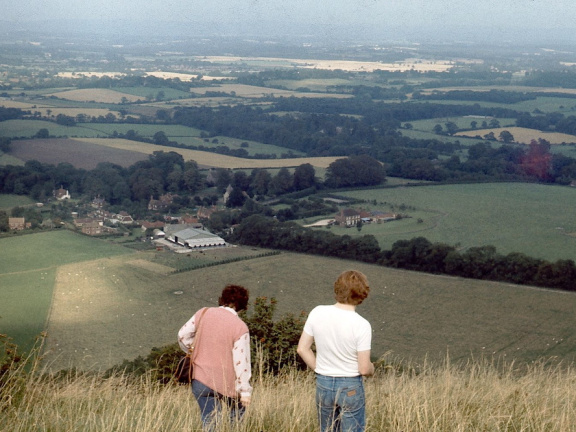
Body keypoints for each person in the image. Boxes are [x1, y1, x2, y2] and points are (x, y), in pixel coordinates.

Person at [297, 270, 374, 432]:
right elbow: (364, 369)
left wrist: (320, 368)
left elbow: (302, 349)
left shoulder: (317, 312)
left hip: (323, 382)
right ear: (362, 294)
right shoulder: (362, 324)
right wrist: (372, 368)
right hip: (350, 385)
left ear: (338, 288)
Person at [178, 284, 252, 431]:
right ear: (242, 305)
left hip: (200, 379)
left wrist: (195, 350)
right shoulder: (240, 326)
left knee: (210, 423)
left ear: (222, 299)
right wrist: (245, 391)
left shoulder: (203, 313)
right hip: (227, 382)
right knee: (237, 416)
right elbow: (241, 361)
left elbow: (182, 336)